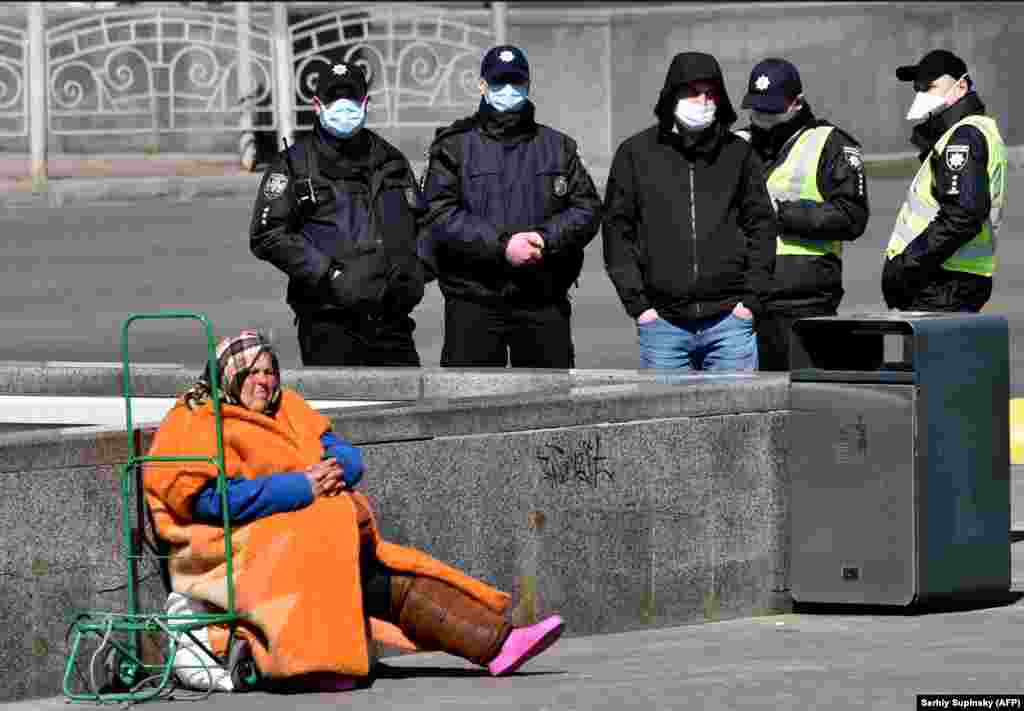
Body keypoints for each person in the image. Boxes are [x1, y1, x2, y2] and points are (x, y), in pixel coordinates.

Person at [144, 330, 565, 691]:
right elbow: (205, 499)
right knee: (372, 579)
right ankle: (495, 643)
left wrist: (330, 472)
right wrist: (300, 486)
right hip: (231, 549)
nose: (264, 382)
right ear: (228, 376)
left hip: (303, 534)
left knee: (377, 574)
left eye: (270, 372)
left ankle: (499, 643)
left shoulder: (288, 407)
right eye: (252, 373)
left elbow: (346, 456)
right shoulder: (197, 418)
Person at [421, 45, 602, 368]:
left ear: (528, 85)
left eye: (515, 83)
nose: (508, 91)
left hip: (542, 299)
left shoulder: (557, 146)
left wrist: (545, 238)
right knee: (469, 410)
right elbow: (439, 213)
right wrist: (503, 246)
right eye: (498, 82)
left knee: (548, 409)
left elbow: (587, 208)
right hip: (473, 302)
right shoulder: (454, 146)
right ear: (482, 86)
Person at [602, 51, 777, 371]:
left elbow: (762, 227)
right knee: (666, 421)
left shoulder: (739, 154)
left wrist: (750, 303)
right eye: (693, 91)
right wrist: (639, 307)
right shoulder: (635, 154)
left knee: (736, 418)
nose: (703, 100)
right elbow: (617, 233)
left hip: (730, 324)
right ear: (672, 95)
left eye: (710, 93)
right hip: (662, 325)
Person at [249, 62, 427, 366]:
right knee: (341, 412)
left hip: (392, 323)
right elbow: (267, 234)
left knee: (407, 411)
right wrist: (329, 275)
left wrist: (415, 274)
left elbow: (421, 224)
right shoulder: (293, 165)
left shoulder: (391, 160)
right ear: (317, 106)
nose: (344, 107)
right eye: (334, 99)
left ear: (366, 103)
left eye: (352, 98)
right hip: (329, 324)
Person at [734, 58, 869, 370]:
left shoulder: (830, 143)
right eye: (757, 110)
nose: (763, 118)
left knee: (800, 400)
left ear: (796, 103)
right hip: (742, 299)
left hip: (803, 300)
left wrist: (781, 215)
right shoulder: (736, 144)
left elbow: (852, 215)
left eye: (771, 111)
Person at [882, 50, 1007, 313]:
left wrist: (908, 264)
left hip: (943, 280)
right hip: (952, 278)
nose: (922, 94)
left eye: (931, 86)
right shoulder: (966, 132)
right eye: (918, 88)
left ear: (961, 86)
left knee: (936, 355)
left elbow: (963, 214)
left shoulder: (963, 137)